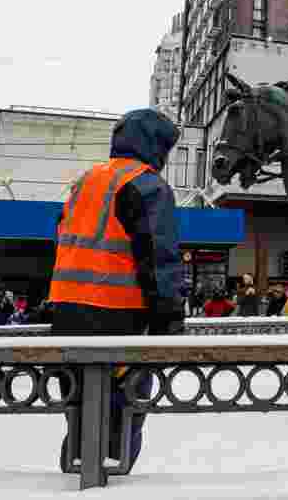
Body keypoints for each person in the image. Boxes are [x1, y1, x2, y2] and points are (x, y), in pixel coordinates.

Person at [48, 108, 187, 472]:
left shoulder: (87, 180)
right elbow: (160, 257)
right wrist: (169, 316)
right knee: (124, 407)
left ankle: (77, 471)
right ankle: (110, 477)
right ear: (155, 146)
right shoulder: (146, 184)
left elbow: (63, 237)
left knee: (79, 402)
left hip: (66, 312)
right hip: (118, 315)